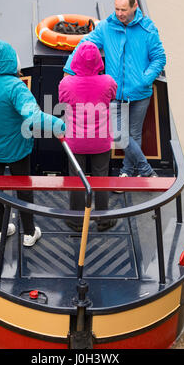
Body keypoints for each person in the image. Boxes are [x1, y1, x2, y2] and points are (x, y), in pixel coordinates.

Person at [0, 40, 65, 246]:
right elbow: (34, 118)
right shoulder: (15, 87)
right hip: (17, 150)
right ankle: (29, 233)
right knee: (23, 189)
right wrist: (60, 125)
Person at [63, 0, 166, 179]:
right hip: (115, 94)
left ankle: (127, 171)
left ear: (135, 7)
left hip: (141, 93)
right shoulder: (106, 27)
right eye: (117, 9)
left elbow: (159, 58)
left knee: (134, 134)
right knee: (118, 134)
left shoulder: (148, 29)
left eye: (123, 9)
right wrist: (69, 69)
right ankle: (146, 171)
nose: (119, 13)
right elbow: (85, 43)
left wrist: (145, 79)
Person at [59, 41, 117, 231]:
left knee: (76, 178)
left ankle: (76, 221)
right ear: (98, 62)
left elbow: (62, 102)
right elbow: (112, 97)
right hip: (100, 141)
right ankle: (103, 220)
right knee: (101, 178)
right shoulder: (108, 81)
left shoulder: (66, 83)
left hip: (75, 142)